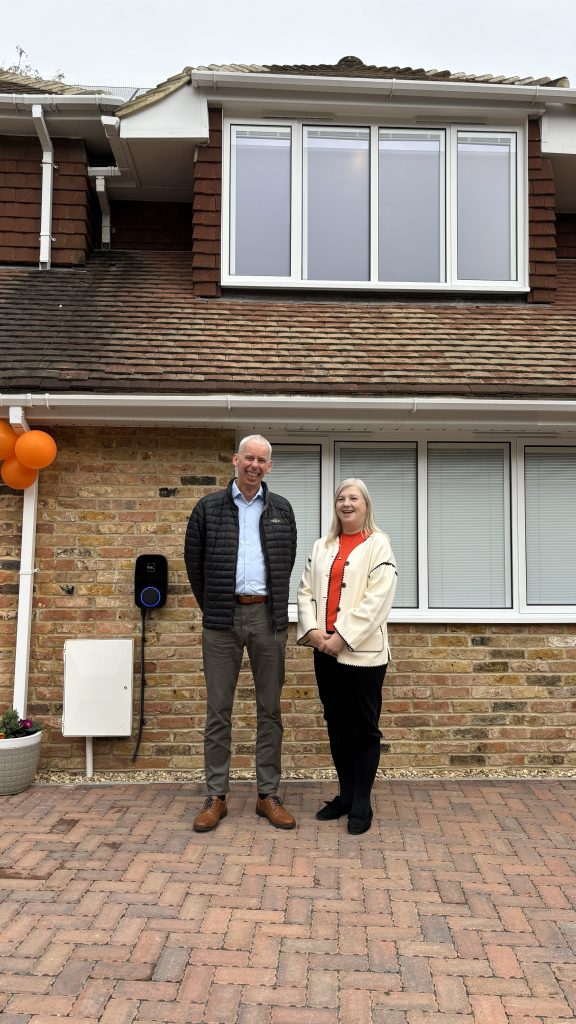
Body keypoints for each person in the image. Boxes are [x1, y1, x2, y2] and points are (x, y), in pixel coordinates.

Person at [184, 434, 297, 832]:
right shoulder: (208, 508)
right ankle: (216, 795)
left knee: (270, 709)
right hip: (222, 620)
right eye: (248, 457)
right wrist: (215, 605)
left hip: (268, 619)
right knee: (218, 710)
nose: (254, 465)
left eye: (262, 460)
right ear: (235, 460)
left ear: (269, 467)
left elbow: (286, 560)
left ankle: (268, 795)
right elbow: (193, 565)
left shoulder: (281, 509)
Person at [297, 479, 397, 835]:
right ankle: (344, 795)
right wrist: (313, 633)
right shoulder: (322, 546)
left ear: (365, 505)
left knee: (364, 729)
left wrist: (342, 637)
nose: (346, 503)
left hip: (363, 655)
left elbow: (378, 600)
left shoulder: (378, 544)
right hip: (324, 653)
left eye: (353, 498)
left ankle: (361, 803)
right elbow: (306, 591)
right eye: (341, 498)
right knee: (337, 726)